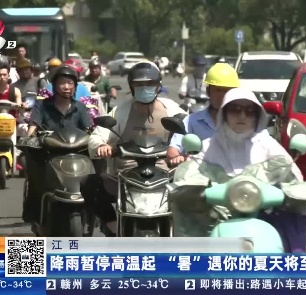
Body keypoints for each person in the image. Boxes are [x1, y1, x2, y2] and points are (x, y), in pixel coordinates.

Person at [193, 87, 306, 253]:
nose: (242, 116)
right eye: (235, 110)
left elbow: (292, 173)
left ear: (257, 116)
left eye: (249, 111)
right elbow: (190, 172)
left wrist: (289, 187)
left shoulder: (268, 144)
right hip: (216, 214)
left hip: (263, 212)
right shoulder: (207, 146)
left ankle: (295, 262)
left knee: (293, 211)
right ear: (223, 114)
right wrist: (193, 186)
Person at [80, 61, 187, 236]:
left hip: (165, 176)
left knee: (197, 187)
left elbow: (189, 134)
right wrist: (101, 146)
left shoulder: (172, 109)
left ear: (158, 85)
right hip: (124, 178)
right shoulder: (119, 111)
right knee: (89, 183)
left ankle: (185, 233)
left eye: (150, 84)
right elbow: (97, 136)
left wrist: (184, 153)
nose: (145, 88)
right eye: (139, 84)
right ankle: (112, 225)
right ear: (131, 86)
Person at [22, 66, 92, 223]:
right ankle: (35, 214)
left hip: (77, 154)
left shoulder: (80, 108)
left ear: (75, 86)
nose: (67, 87)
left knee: (96, 176)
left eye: (70, 83)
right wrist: (28, 138)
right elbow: (33, 126)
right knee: (35, 175)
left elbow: (89, 129)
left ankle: (96, 213)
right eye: (62, 83)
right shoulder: (42, 106)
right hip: (49, 154)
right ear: (54, 86)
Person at [167, 62, 239, 165]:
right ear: (209, 91)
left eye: (227, 91)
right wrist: (177, 157)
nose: (223, 96)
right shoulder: (191, 121)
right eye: (218, 90)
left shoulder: (244, 122)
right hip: (198, 177)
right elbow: (174, 148)